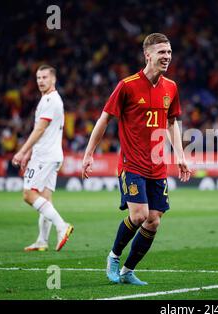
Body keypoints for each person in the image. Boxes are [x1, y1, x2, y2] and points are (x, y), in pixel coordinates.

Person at [82, 33, 191, 285]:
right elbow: (104, 119)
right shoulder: (127, 85)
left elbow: (172, 122)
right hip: (132, 164)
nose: (167, 57)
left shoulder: (171, 87)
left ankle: (128, 270)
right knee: (140, 215)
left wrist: (181, 156)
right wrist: (89, 154)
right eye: (162, 52)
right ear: (148, 55)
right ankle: (113, 256)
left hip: (158, 166)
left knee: (154, 221)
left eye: (170, 52)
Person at [12, 64, 74, 252]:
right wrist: (29, 153)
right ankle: (42, 240)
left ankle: (62, 226)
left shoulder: (49, 100)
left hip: (45, 156)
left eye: (45, 77)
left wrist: (22, 151)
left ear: (53, 79)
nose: (41, 81)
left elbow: (40, 129)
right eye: (38, 78)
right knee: (46, 198)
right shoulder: (51, 99)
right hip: (51, 154)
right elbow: (43, 132)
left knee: (29, 194)